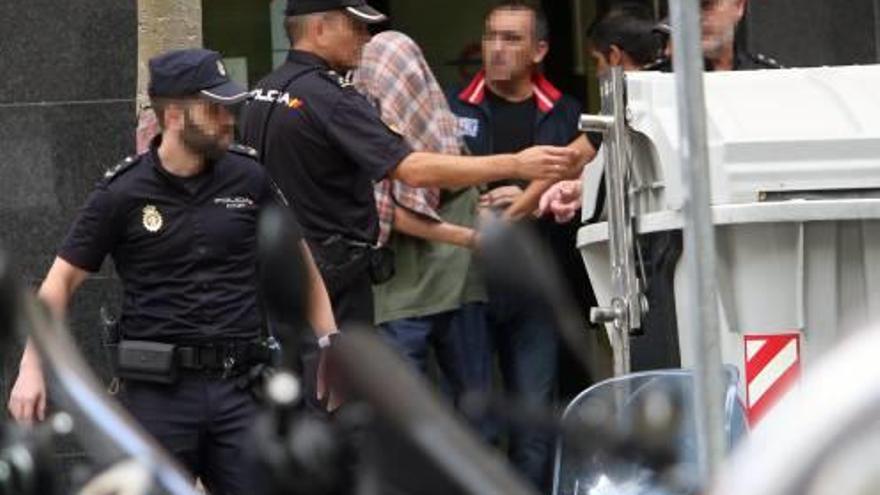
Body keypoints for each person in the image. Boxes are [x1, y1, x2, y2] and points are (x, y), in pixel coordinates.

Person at [6, 48, 339, 494]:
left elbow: (300, 264)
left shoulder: (249, 177)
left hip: (240, 389)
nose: (229, 119)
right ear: (177, 116)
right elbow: (60, 281)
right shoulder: (121, 193)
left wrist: (330, 342)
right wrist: (31, 368)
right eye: (216, 108)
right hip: (158, 395)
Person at [240, 0, 579, 331]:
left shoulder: (263, 91)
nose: (365, 37)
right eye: (356, 26)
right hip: (331, 281)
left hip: (279, 273)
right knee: (336, 381)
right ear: (320, 28)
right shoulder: (333, 98)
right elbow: (411, 169)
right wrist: (516, 163)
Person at [445, 1, 596, 489]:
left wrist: (526, 197)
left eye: (512, 39)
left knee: (535, 421)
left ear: (540, 50)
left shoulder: (568, 112)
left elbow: (576, 174)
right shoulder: (452, 108)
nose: (496, 48)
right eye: (491, 36)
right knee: (475, 423)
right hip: (469, 285)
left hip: (537, 287)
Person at [352, 30, 493, 439]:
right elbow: (383, 208)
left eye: (402, 73)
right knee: (406, 420)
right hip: (403, 294)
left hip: (457, 287)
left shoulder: (443, 120)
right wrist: (465, 237)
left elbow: (465, 183)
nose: (392, 83)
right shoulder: (363, 121)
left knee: (474, 413)